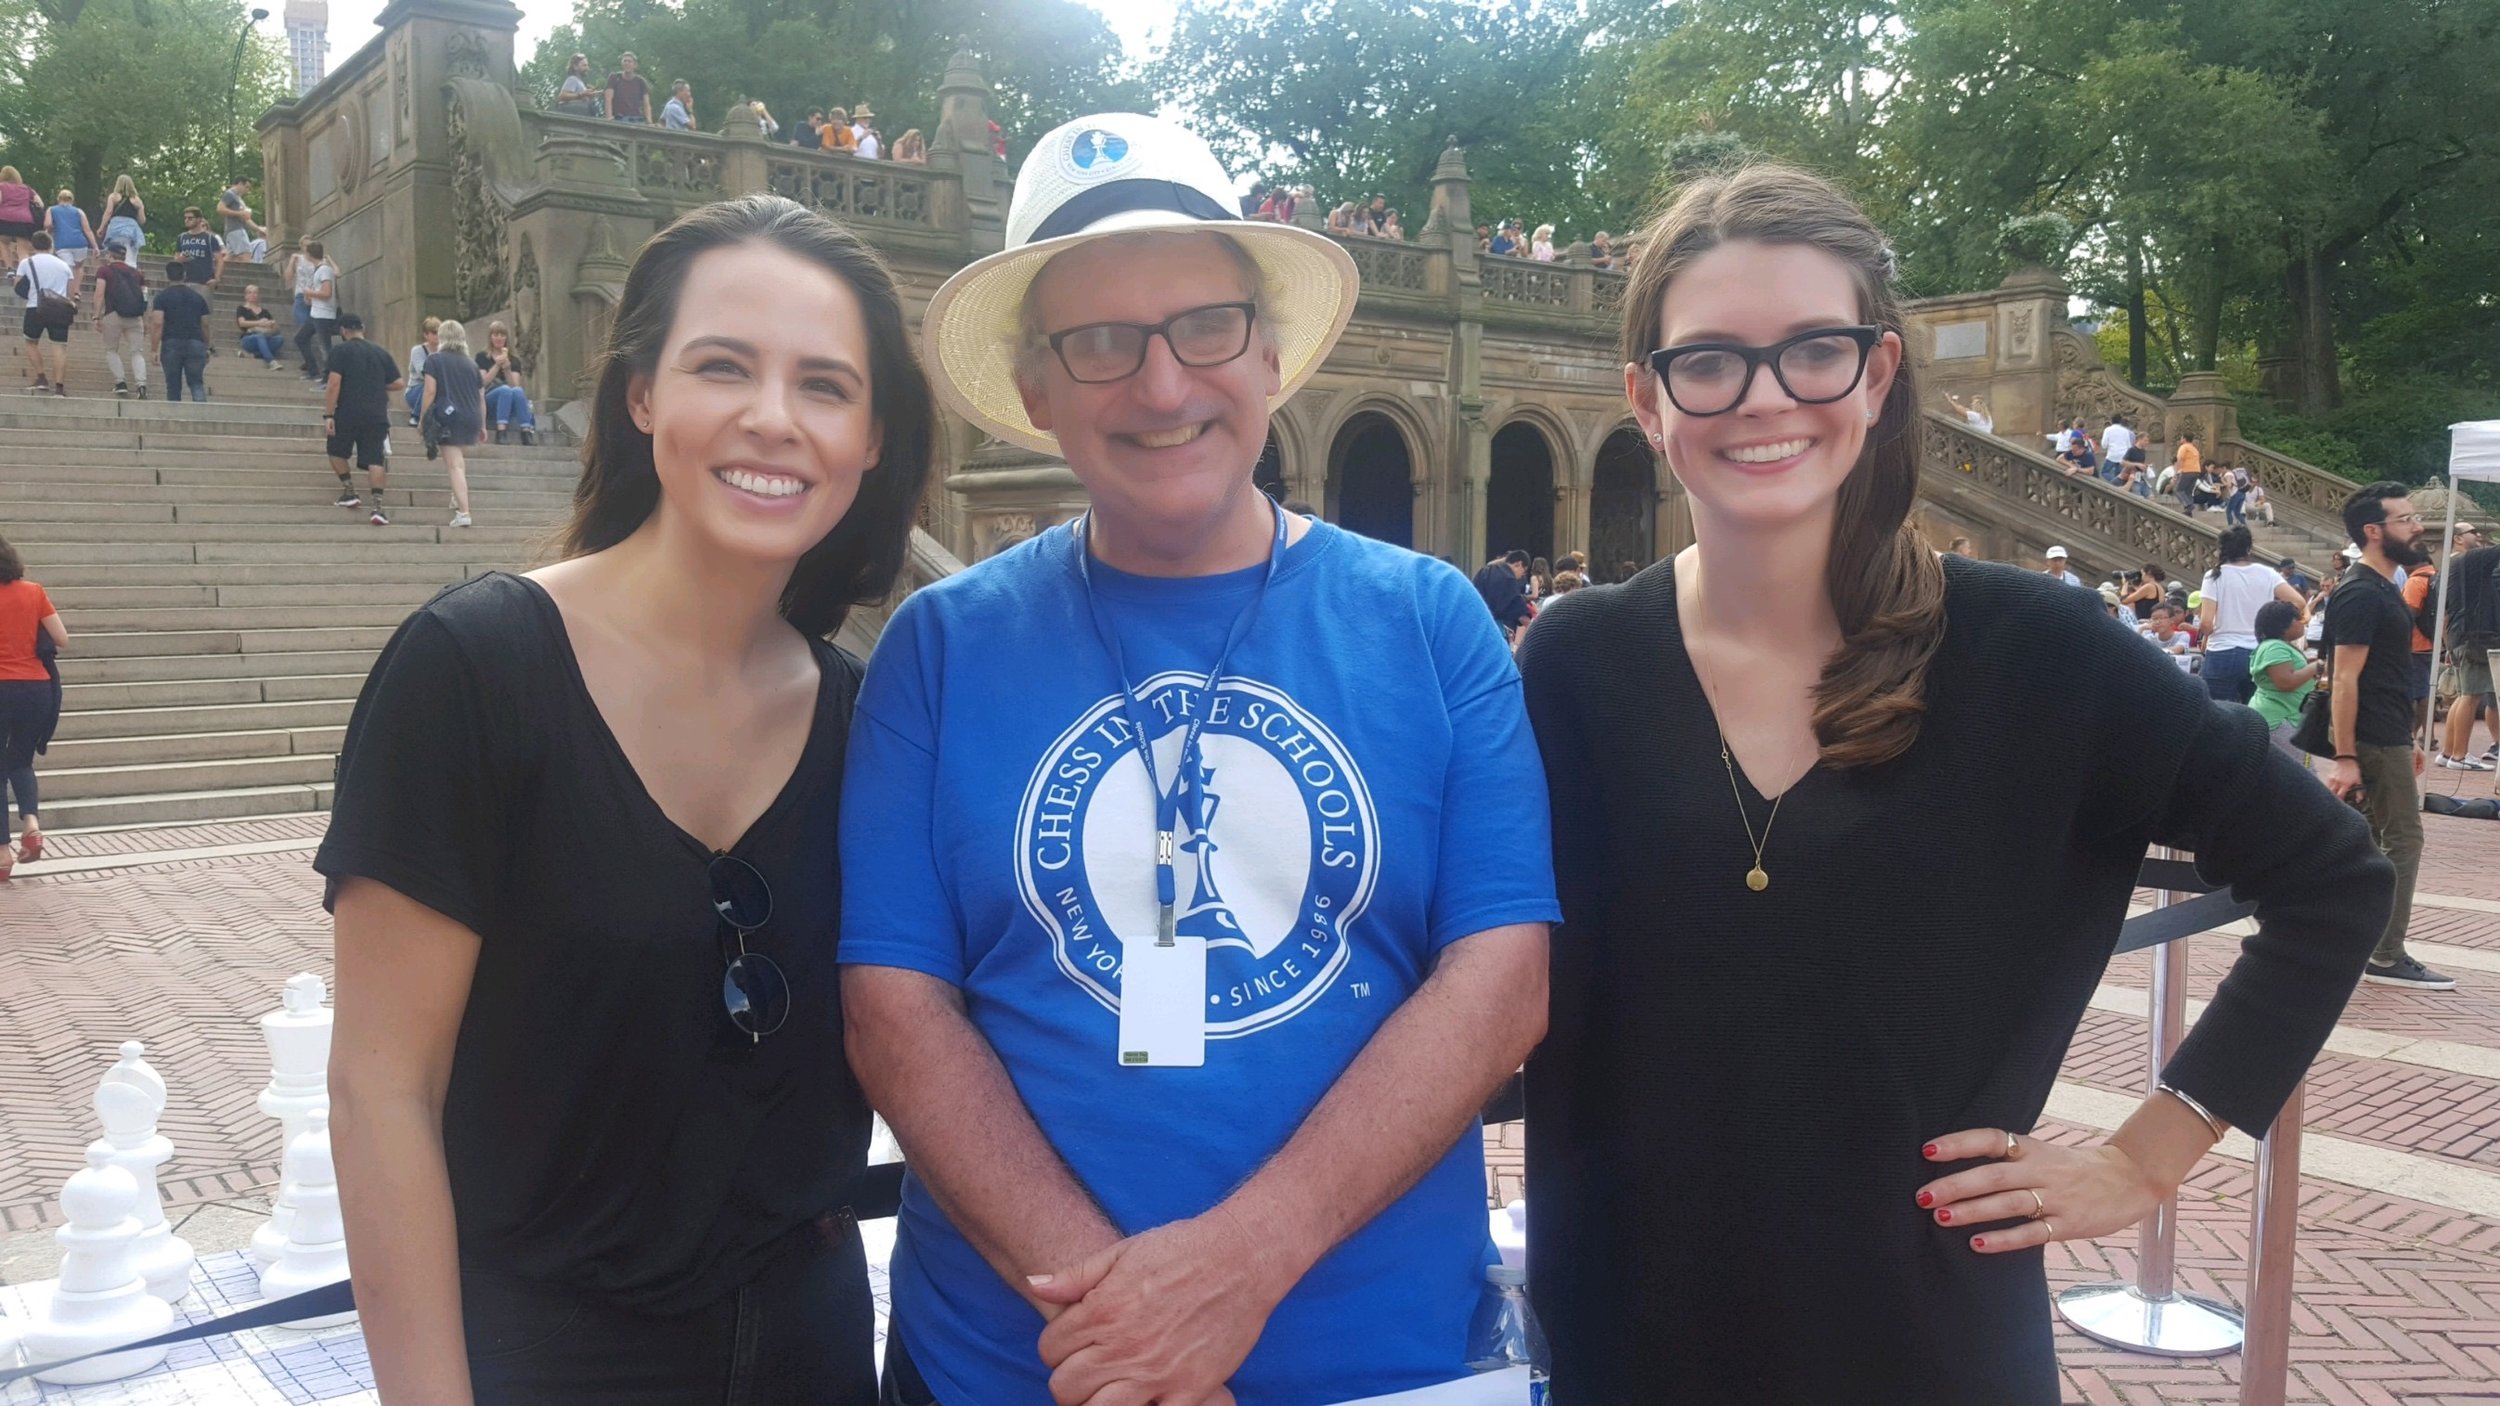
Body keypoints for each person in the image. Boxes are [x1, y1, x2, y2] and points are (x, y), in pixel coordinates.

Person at [1518, 159, 2391, 1404]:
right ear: (1647, 401)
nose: (1762, 397)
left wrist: (2152, 1148)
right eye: (1708, 360)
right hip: (1626, 1322)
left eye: (1811, 350)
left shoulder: (2036, 649)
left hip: (1921, 1336)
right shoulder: (1578, 658)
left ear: (1874, 375)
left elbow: (2333, 879)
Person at [840, 112, 1557, 1406]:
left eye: (1205, 327)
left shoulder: (1428, 618)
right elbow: (898, 1015)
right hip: (1026, 1369)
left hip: (1379, 1364)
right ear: (1039, 386)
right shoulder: (940, 645)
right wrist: (1137, 1336)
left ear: (1270, 351)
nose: (1162, 386)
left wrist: (1240, 1263)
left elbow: (1500, 983)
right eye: (1102, 341)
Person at [321, 194, 926, 1403]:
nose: (772, 417)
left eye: (824, 383)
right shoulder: (475, 668)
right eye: (722, 365)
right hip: (545, 1354)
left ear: (869, 438)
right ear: (643, 396)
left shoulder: (872, 713)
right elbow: (381, 1087)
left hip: (812, 1348)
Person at [2319, 482, 2449, 991]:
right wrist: (2346, 755)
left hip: (2385, 734)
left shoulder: (2382, 586)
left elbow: (2384, 676)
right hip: (2371, 739)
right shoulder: (2359, 592)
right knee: (2404, 840)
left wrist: (2408, 737)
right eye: (2406, 519)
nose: (2418, 527)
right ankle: (2386, 955)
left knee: (2364, 842)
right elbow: (2345, 678)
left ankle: (2347, 936)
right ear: (2374, 532)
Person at [0, 533, 67, 868]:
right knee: (20, 761)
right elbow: (62, 638)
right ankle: (31, 825)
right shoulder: (33, 591)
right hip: (36, 690)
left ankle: (1, 854)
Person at [2198, 524, 2305, 705]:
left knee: (2217, 714)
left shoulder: (2214, 576)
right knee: (2255, 713)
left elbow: (2206, 624)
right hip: (2259, 651)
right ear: (2249, 548)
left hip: (2222, 651)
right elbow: (2299, 602)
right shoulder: (2267, 573)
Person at [319, 314, 402, 524]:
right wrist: (375, 384)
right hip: (376, 413)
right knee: (375, 458)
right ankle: (377, 507)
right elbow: (399, 383)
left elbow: (334, 383)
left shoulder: (339, 351)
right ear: (362, 328)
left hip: (348, 411)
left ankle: (349, 491)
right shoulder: (380, 352)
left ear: (343, 331)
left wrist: (328, 414)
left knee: (335, 450)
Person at [2437, 529, 2500, 770]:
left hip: (2459, 636)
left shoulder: (2450, 566)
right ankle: (2460, 757)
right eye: (2472, 532)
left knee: (2464, 695)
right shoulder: (2471, 560)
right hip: (2475, 638)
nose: (2478, 534)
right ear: (2457, 538)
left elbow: (2444, 614)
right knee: (2471, 696)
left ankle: (2449, 752)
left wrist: (2449, 646)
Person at [419, 319, 486, 527]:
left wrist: (423, 419)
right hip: (472, 415)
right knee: (458, 461)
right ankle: (457, 497)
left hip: (450, 417)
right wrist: (483, 425)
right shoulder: (472, 364)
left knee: (454, 465)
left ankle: (463, 512)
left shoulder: (434, 360)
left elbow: (430, 391)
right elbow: (481, 397)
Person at [2249, 599, 2319, 761]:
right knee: (2303, 771)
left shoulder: (2279, 645)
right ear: (2283, 624)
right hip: (2278, 719)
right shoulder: (2274, 647)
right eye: (2298, 619)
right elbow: (2285, 682)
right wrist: (2315, 668)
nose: (2303, 623)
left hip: (2287, 716)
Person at [16, 230, 74, 397]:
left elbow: (17, 284)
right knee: (59, 347)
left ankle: (41, 377)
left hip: (35, 307)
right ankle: (59, 387)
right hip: (60, 309)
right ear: (51, 245)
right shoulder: (63, 266)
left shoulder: (27, 263)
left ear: (33, 245)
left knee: (31, 342)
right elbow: (69, 292)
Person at [89, 243, 150, 397]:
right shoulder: (137, 274)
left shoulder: (105, 271)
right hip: (135, 317)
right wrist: (145, 319)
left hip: (113, 315)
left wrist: (96, 315)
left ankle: (120, 382)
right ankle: (141, 386)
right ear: (124, 256)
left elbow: (99, 293)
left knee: (111, 350)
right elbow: (145, 297)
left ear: (110, 255)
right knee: (137, 352)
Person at [149, 261, 213, 403]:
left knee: (173, 385)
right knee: (196, 383)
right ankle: (201, 416)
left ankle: (175, 417)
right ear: (184, 275)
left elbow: (158, 323)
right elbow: (205, 324)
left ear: (167, 276)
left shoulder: (161, 298)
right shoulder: (198, 298)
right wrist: (206, 346)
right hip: (196, 342)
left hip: (171, 343)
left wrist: (154, 349)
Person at [479, 319, 537, 444]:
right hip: (489, 400)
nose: (499, 338)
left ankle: (526, 431)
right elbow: (482, 383)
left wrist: (507, 368)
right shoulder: (482, 357)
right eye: (495, 335)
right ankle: (501, 432)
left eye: (502, 335)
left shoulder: (514, 360)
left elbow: (514, 386)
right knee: (504, 390)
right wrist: (496, 366)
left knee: (517, 390)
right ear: (490, 337)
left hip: (509, 401)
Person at [292, 240, 338, 381]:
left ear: (308, 254)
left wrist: (309, 292)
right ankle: (313, 371)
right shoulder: (318, 270)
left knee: (325, 347)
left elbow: (327, 293)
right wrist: (310, 297)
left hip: (323, 314)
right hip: (316, 312)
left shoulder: (324, 270)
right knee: (300, 338)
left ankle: (328, 379)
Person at [46, 190, 96, 299]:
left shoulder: (52, 210)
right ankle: (76, 291)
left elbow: (47, 224)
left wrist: (51, 230)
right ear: (72, 200)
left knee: (68, 268)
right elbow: (87, 230)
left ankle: (68, 293)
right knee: (78, 267)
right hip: (80, 243)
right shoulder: (79, 211)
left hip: (62, 243)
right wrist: (95, 246)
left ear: (58, 199)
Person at [1474, 548, 1534, 637]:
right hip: (1494, 629)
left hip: (1476, 622)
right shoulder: (1509, 579)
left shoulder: (1484, 571)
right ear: (1519, 564)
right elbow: (1518, 609)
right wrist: (1533, 627)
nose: (1521, 576)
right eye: (1523, 571)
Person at [218, 177, 264, 272]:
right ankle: (247, 278)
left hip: (233, 230)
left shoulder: (239, 199)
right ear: (239, 184)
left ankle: (217, 271)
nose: (247, 190)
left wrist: (259, 229)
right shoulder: (230, 194)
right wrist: (240, 213)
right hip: (236, 230)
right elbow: (220, 209)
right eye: (246, 187)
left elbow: (246, 219)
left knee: (231, 257)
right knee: (246, 254)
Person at [236, 285, 284, 367]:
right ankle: (271, 361)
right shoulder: (241, 309)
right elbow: (242, 323)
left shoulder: (265, 311)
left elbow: (276, 329)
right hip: (249, 338)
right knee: (260, 336)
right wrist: (259, 323)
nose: (253, 295)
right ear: (246, 296)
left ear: (258, 296)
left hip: (265, 336)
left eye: (255, 293)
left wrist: (272, 324)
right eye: (250, 292)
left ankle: (254, 355)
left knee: (279, 339)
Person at [0, 168, 38, 267]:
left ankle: (9, 268)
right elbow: (40, 203)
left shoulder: (1, 186)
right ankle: (24, 270)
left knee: (3, 243)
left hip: (4, 219)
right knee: (23, 249)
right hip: (24, 220)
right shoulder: (26, 188)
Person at [404, 315, 439, 425]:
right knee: (429, 383)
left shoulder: (444, 351)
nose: (437, 336)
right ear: (426, 335)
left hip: (437, 391)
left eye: (439, 332)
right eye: (434, 333)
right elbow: (423, 373)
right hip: (416, 391)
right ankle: (416, 416)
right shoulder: (418, 351)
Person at [175, 208, 220, 290]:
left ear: (199, 219)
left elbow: (219, 259)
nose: (186, 220)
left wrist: (216, 279)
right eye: (185, 218)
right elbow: (176, 258)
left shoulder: (209, 238)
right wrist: (180, 259)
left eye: (190, 218)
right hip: (184, 281)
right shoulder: (181, 237)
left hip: (204, 282)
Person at [2139, 601, 2195, 666]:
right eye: (2154, 619)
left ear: (2172, 620)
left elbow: (2178, 648)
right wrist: (2141, 629)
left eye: (2161, 618)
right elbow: (2138, 651)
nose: (2157, 622)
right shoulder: (2150, 637)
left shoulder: (2182, 635)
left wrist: (2152, 653)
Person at [100, 175, 145, 256]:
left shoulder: (113, 197)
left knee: (115, 254)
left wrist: (101, 227)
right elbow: (142, 220)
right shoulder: (137, 200)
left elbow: (108, 212)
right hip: (131, 230)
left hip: (115, 229)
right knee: (131, 257)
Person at [607, 52, 653, 123]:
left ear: (635, 65)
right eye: (625, 61)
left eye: (629, 61)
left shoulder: (641, 82)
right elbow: (608, 98)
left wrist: (649, 121)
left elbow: (646, 103)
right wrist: (609, 117)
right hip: (619, 118)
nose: (627, 63)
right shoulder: (614, 78)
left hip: (636, 119)